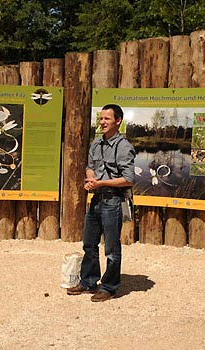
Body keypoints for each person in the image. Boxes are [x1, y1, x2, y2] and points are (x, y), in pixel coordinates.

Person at [67, 104, 135, 302]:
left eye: (107, 119)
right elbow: (90, 166)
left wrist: (101, 182)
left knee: (112, 249)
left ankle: (109, 287)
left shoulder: (124, 147)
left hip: (113, 201)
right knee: (89, 243)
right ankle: (88, 281)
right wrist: (90, 180)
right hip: (96, 200)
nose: (102, 122)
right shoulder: (96, 143)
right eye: (101, 118)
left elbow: (129, 178)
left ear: (118, 121)